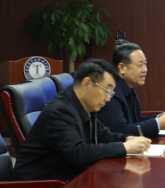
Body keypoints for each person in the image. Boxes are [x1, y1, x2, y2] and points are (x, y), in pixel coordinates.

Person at [13, 59, 151, 181]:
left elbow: (104, 135)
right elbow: (78, 153)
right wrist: (124, 147)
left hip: (66, 185)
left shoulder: (84, 106)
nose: (108, 98)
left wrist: (128, 139)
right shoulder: (59, 112)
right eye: (106, 91)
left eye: (111, 93)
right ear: (87, 84)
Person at [98, 42, 165, 137]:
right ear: (122, 68)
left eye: (145, 64)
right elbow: (119, 131)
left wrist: (159, 118)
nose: (145, 70)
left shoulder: (128, 89)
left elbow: (136, 121)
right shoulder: (111, 93)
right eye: (140, 65)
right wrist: (158, 123)